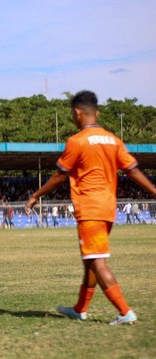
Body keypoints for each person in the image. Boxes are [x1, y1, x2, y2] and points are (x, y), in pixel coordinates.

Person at [25, 90, 156, 326]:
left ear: (77, 113)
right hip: (107, 208)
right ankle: (80, 309)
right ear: (97, 112)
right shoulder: (113, 139)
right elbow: (133, 170)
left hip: (90, 208)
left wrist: (35, 195)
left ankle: (125, 312)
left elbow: (59, 176)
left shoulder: (77, 141)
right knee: (91, 261)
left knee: (97, 262)